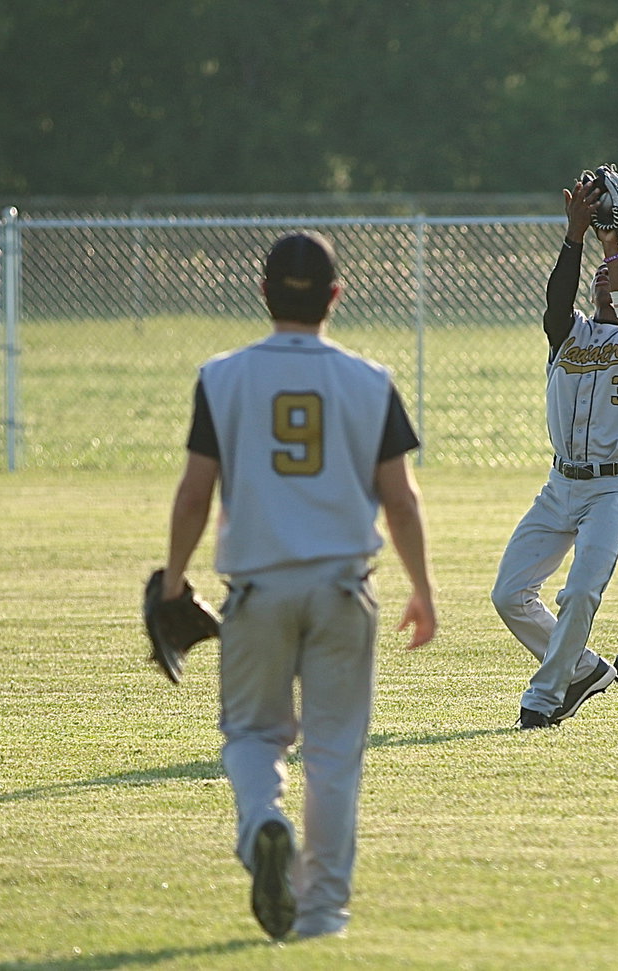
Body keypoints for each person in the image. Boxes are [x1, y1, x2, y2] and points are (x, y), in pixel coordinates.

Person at [159, 231, 437, 940]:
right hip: (345, 586)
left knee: (252, 734)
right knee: (334, 751)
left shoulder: (222, 376)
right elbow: (400, 499)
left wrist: (174, 578)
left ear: (263, 293)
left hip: (255, 589)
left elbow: (195, 494)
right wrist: (423, 589)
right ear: (336, 296)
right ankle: (321, 913)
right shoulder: (368, 379)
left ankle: (263, 826)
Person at [491, 177, 618, 729]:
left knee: (579, 592)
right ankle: (586, 669)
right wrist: (575, 237)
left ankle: (544, 699)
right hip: (558, 487)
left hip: (610, 489)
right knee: (509, 595)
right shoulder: (568, 334)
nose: (603, 278)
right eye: (601, 275)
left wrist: (613, 246)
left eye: (616, 280)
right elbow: (555, 298)